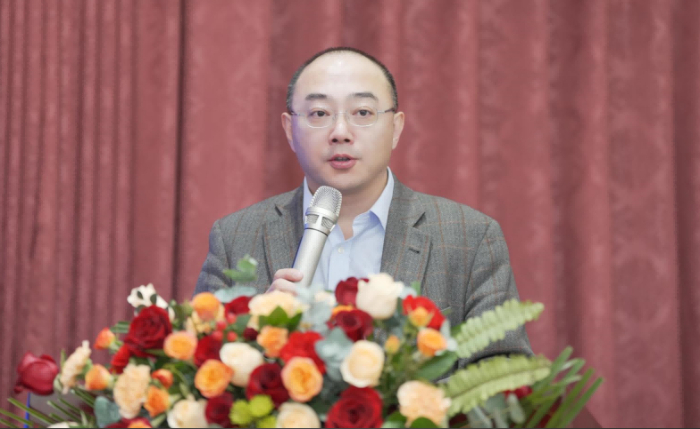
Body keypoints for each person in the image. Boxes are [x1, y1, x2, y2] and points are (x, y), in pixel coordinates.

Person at [194, 47, 531, 362]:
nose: (340, 132)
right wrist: (256, 337)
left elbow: (504, 380)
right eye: (319, 113)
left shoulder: (470, 238)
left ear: (396, 128)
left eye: (363, 113)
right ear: (289, 129)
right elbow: (197, 374)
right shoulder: (235, 238)